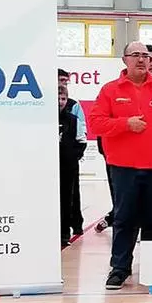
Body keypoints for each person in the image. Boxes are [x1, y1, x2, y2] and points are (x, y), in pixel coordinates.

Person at [89, 41, 152, 290]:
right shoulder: (110, 90)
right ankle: (119, 268)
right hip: (123, 167)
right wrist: (125, 124)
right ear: (125, 60)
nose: (142, 60)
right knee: (124, 218)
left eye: (145, 55)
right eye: (136, 55)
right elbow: (96, 123)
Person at [58, 69, 86, 236]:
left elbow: (81, 131)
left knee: (72, 194)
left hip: (69, 162)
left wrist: (74, 156)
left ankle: (75, 224)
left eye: (65, 81)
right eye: (60, 80)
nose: (63, 83)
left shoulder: (73, 105)